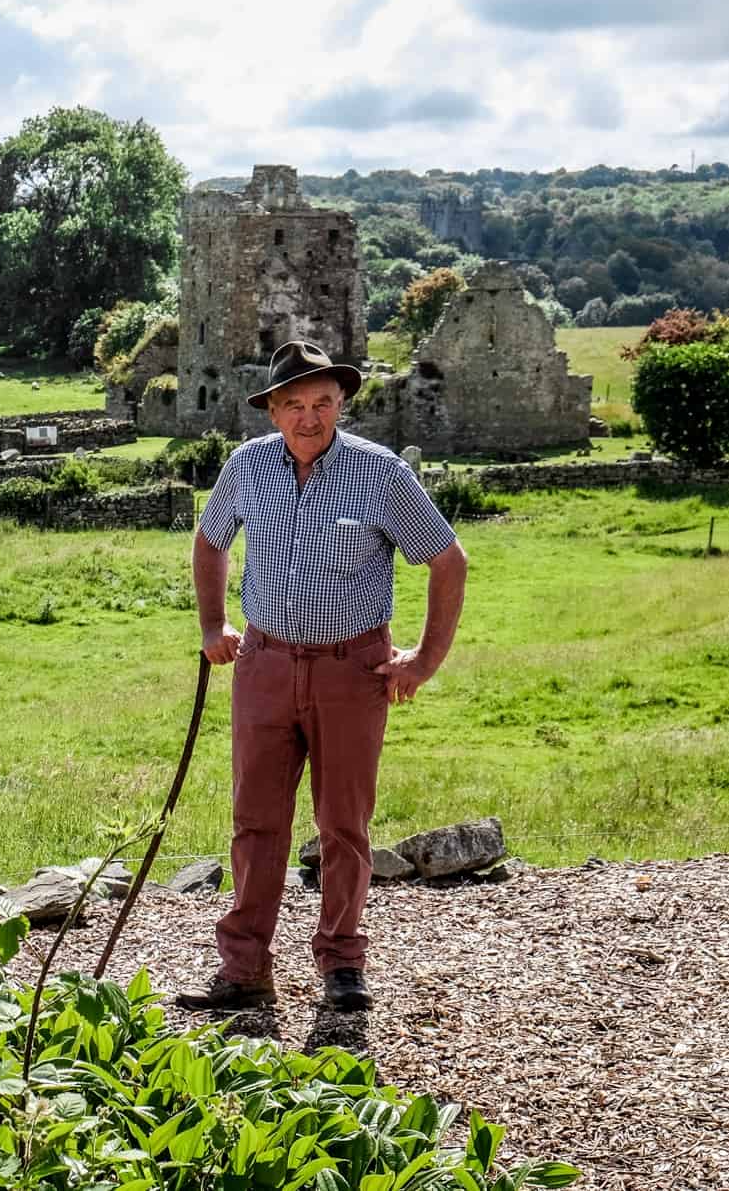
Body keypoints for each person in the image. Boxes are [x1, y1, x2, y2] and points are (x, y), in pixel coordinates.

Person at [180, 340, 468, 1013]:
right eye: (295, 405)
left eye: (323, 403)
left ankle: (341, 963)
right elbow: (210, 539)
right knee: (256, 821)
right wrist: (212, 623)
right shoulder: (248, 467)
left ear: (340, 404)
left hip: (352, 670)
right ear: (272, 410)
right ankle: (244, 966)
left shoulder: (382, 474)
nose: (310, 417)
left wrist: (423, 660)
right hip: (266, 664)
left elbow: (448, 560)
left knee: (343, 824)